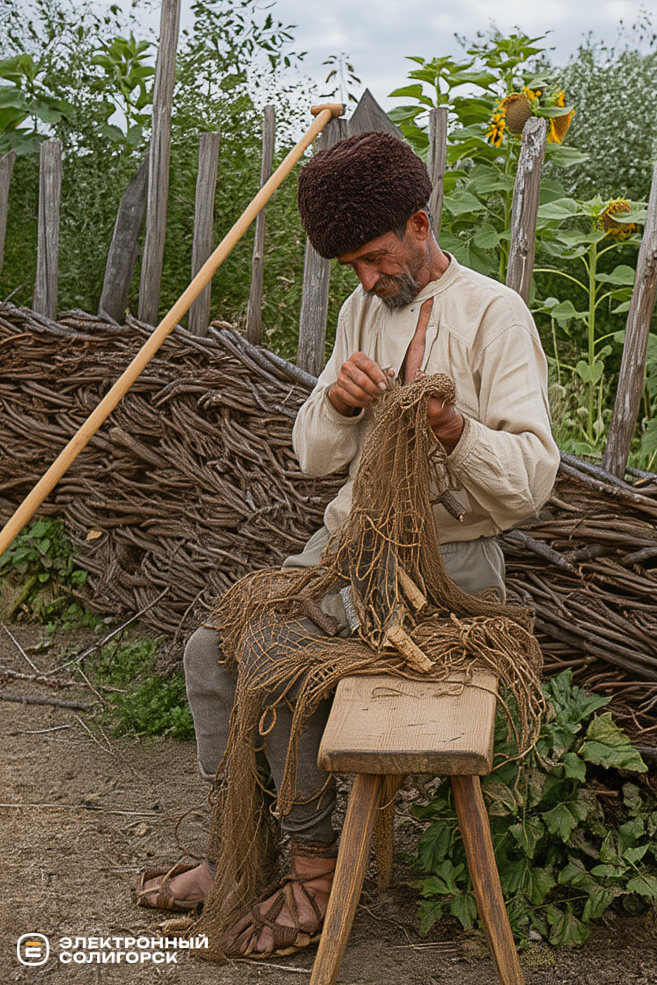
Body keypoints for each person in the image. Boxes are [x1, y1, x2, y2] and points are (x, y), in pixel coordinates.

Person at [134, 131, 560, 957]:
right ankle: (237, 857)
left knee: (279, 653)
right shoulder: (363, 310)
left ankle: (318, 874)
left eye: (373, 256)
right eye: (351, 267)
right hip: (347, 550)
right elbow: (313, 458)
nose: (366, 280)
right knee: (205, 648)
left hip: (444, 567)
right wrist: (335, 402)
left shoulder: (493, 315)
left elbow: (531, 480)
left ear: (419, 223)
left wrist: (450, 427)